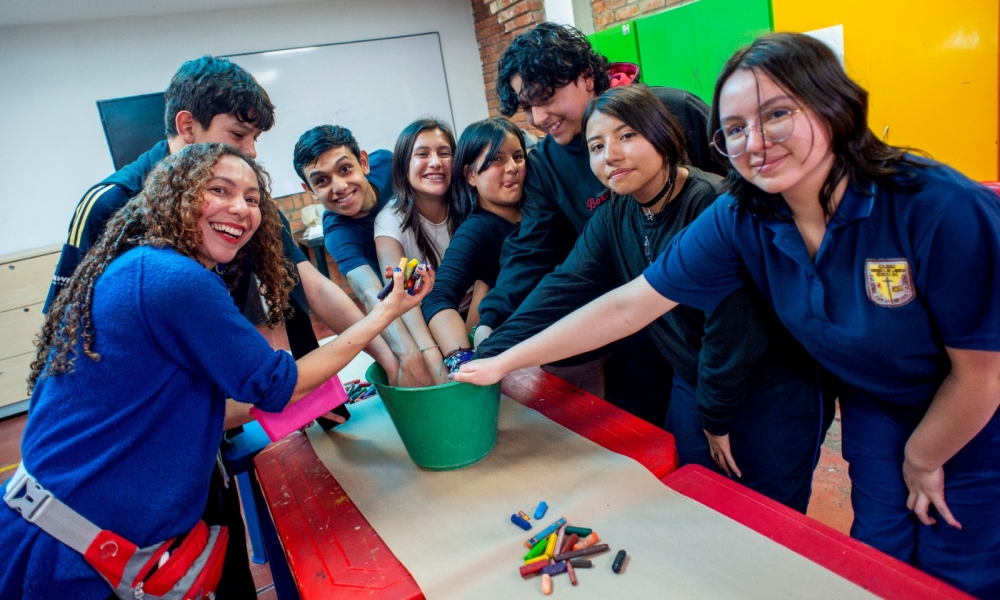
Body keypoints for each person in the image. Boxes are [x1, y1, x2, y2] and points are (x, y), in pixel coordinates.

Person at [455, 33, 1000, 597]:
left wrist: (924, 453)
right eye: (736, 129)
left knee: (959, 560)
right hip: (873, 399)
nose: (756, 142)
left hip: (975, 408)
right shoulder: (744, 214)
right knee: (876, 550)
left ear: (834, 105)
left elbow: (984, 371)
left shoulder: (937, 207)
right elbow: (627, 305)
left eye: (778, 114)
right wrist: (501, 359)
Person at [1, 144, 433, 600]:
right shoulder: (176, 279)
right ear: (178, 195)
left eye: (251, 198)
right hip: (68, 556)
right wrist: (383, 314)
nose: (240, 208)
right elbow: (277, 388)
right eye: (220, 190)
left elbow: (193, 408)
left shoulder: (145, 267)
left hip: (67, 534)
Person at [460, 86, 831, 511]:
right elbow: (561, 289)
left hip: (770, 388)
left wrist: (715, 414)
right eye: (597, 146)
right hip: (694, 384)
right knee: (694, 503)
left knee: (769, 518)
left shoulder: (712, 205)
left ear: (660, 133)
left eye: (627, 136)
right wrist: (490, 353)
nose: (610, 155)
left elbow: (734, 329)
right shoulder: (617, 215)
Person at [475, 22, 724, 421]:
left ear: (588, 77)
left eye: (545, 97)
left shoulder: (675, 112)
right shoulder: (559, 174)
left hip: (719, 328)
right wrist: (493, 326)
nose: (538, 117)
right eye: (526, 105)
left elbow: (745, 198)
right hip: (631, 331)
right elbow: (539, 257)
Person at [296, 124, 439, 387]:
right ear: (310, 190)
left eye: (345, 169)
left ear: (363, 162)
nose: (339, 187)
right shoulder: (338, 233)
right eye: (322, 181)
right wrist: (409, 356)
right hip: (403, 297)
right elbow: (370, 293)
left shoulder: (388, 165)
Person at [422, 117, 525, 360]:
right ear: (470, 175)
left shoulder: (539, 209)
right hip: (513, 354)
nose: (512, 167)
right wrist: (462, 359)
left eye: (518, 156)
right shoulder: (476, 230)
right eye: (496, 159)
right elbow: (437, 297)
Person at [373, 119, 460, 381]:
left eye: (444, 153)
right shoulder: (389, 221)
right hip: (425, 317)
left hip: (472, 312)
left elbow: (484, 279)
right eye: (422, 154)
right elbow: (401, 295)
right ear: (403, 165)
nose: (436, 162)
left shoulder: (468, 206)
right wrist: (432, 354)